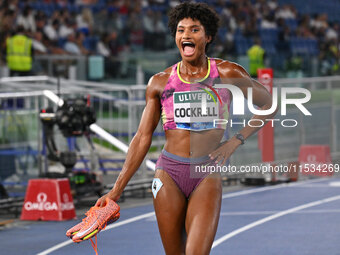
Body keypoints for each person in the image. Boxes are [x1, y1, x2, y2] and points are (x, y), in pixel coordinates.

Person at [95, 2, 276, 254]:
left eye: (194, 30)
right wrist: (115, 190)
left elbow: (269, 105)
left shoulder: (226, 73)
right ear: (175, 37)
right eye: (181, 30)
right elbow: (142, 137)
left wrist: (236, 141)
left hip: (205, 173)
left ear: (208, 36)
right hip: (168, 173)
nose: (186, 35)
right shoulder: (159, 82)